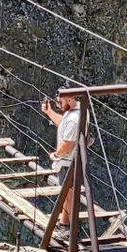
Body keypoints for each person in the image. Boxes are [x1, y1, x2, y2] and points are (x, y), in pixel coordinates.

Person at [41, 90, 83, 239]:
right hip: (71, 161)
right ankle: (64, 223)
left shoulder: (74, 118)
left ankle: (67, 229)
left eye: (60, 101)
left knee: (67, 193)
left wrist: (55, 155)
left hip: (67, 162)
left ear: (70, 99)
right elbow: (63, 124)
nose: (59, 104)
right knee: (67, 193)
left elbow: (67, 144)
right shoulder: (76, 111)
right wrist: (50, 112)